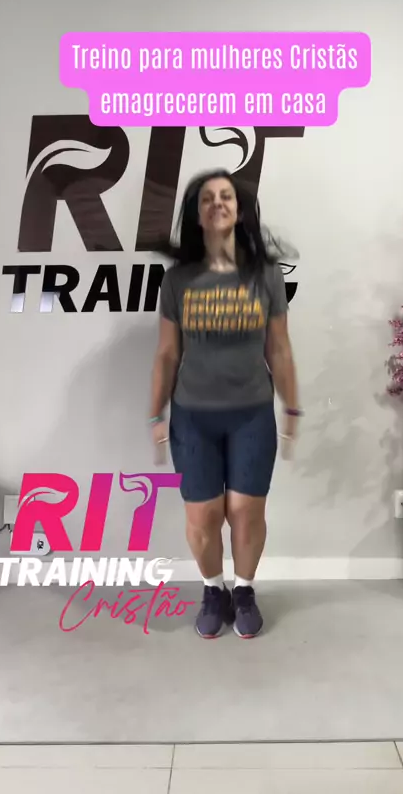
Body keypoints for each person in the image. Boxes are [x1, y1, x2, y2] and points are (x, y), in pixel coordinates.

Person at [149, 168, 301, 639]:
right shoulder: (178, 281)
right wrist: (155, 412)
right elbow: (167, 353)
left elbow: (279, 349)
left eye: (226, 196)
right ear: (197, 214)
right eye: (208, 198)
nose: (218, 203)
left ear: (240, 210)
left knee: (245, 511)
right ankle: (213, 590)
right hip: (192, 416)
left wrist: (292, 408)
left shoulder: (266, 275)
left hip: (251, 414)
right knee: (203, 516)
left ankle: (245, 590)